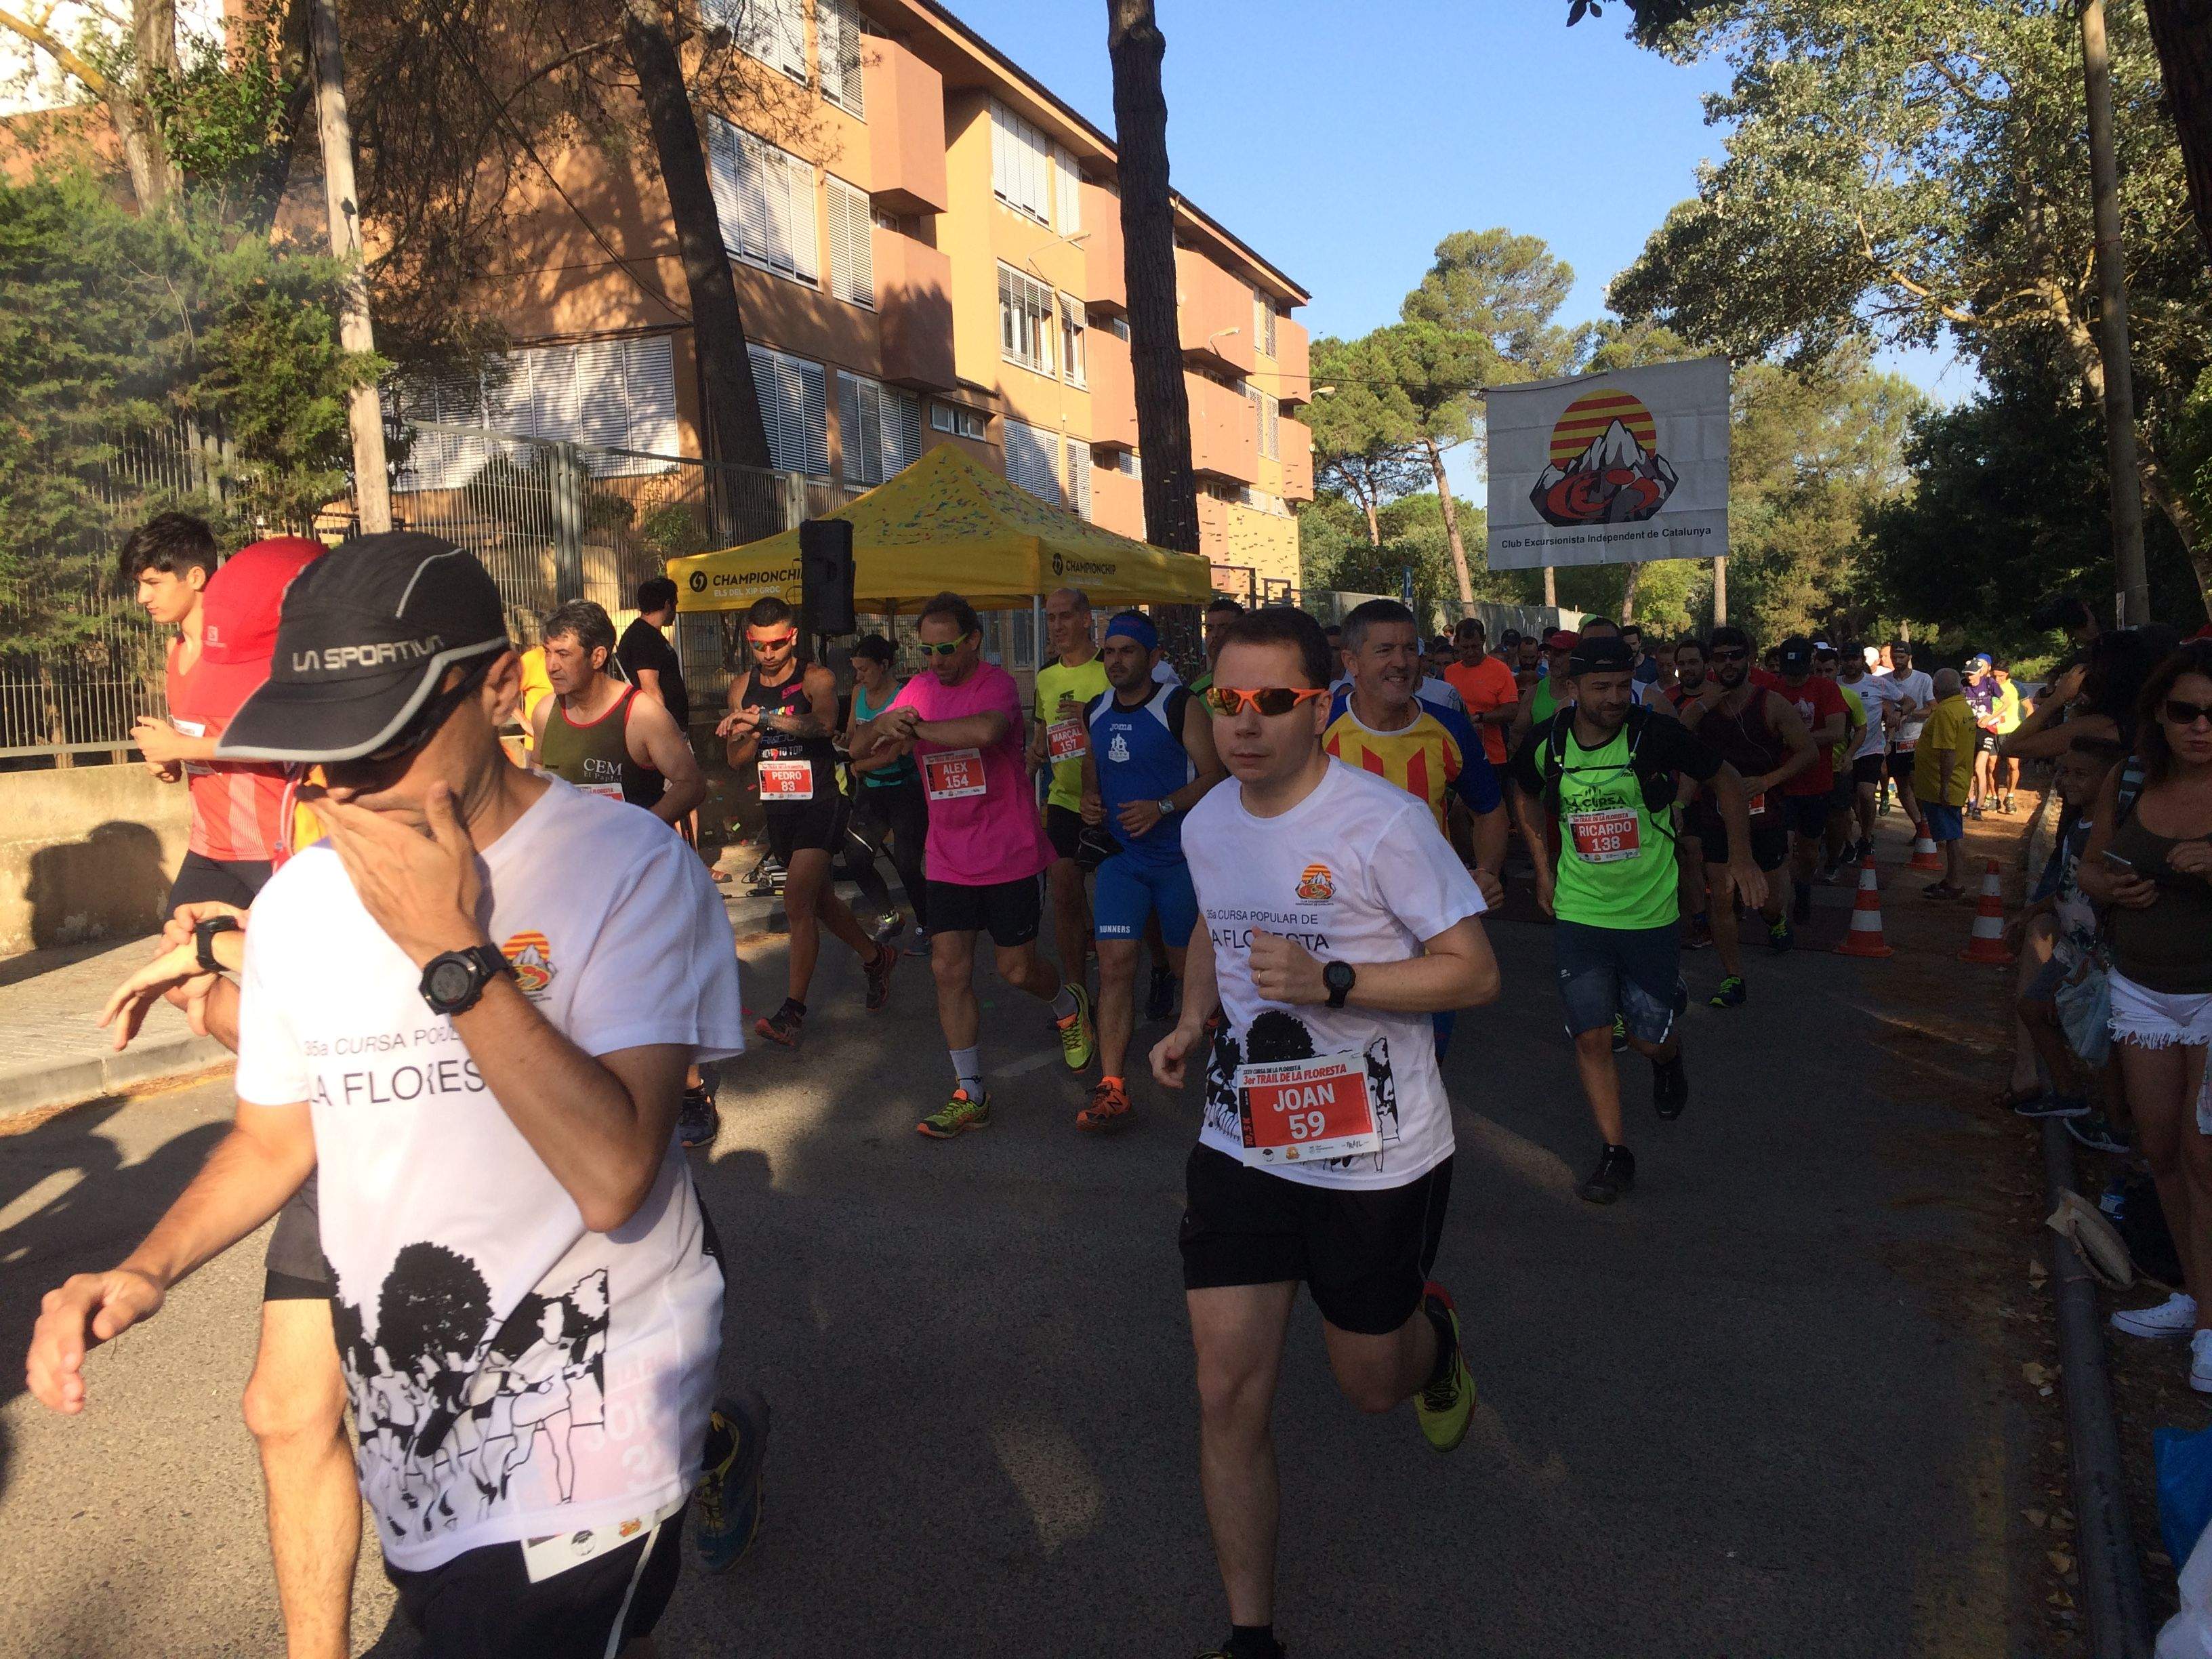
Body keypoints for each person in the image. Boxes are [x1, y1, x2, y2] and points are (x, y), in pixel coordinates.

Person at [29, 533, 761, 1657]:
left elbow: (615, 1174)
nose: (351, 784)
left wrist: (449, 948)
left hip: (591, 1411)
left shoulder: (628, 869)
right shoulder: (301, 903)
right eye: (326, 748)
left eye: (389, 736)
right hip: (413, 1421)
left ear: (501, 685)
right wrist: (145, 1266)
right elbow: (276, 1136)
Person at [1149, 606, 1498, 1659]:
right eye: (1227, 700)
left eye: (1271, 701)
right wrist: (1192, 1018)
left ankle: (1432, 1342)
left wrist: (1337, 980)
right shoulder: (1210, 821)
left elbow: (1474, 973)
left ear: (1318, 707)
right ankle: (1250, 1636)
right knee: (1225, 1390)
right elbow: (1215, 922)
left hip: (1377, 1156)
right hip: (1244, 1138)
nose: (1243, 722)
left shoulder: (1385, 824)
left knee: (1371, 1384)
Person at [1512, 635, 1765, 1203]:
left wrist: (1741, 856)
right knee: (1593, 1037)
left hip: (1649, 915)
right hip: (1581, 913)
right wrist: (1544, 870)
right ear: (1571, 688)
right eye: (1600, 687)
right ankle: (1615, 1154)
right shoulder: (1547, 742)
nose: (1614, 698)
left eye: (1623, 686)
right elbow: (1524, 795)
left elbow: (1725, 778)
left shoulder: (1654, 733)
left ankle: (1668, 1059)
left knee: (1649, 1041)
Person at [851, 591, 1095, 1134]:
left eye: (946, 649)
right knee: (948, 969)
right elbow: (860, 746)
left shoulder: (998, 684)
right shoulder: (918, 689)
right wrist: (881, 727)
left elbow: (985, 732)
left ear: (974, 641)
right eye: (927, 650)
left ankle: (1067, 1004)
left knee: (1016, 970)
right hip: (948, 856)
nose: (936, 661)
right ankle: (971, 1092)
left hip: (1009, 852)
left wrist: (913, 729)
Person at [2080, 642, 2212, 1385]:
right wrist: (2111, 888)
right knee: (2160, 1149)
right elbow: (2092, 867)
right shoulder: (2130, 779)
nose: (2201, 727)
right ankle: (2196, 1298)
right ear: (2160, 714)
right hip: (2141, 990)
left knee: (2204, 1158)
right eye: (2186, 712)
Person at [717, 595, 898, 1048]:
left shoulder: (816, 677)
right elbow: (736, 758)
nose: (768, 654)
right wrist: (747, 733)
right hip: (779, 806)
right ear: (750, 640)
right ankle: (876, 957)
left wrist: (766, 719)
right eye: (759, 646)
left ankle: (791, 1014)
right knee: (820, 902)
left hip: (822, 800)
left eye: (777, 644)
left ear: (792, 637)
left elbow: (823, 725)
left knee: (797, 901)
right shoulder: (741, 687)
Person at [1074, 612, 1225, 1130]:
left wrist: (1162, 807)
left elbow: (1216, 775)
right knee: (1115, 966)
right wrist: (1089, 798)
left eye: (1128, 651)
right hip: (1124, 862)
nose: (1116, 661)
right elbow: (1091, 764)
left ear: (1154, 657)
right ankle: (1112, 1087)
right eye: (1110, 652)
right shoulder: (1096, 709)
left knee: (1190, 973)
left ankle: (1232, 1052)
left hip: (1179, 862)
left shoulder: (1179, 705)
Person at [125, 516, 312, 910]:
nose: (142, 597)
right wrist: (171, 761)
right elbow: (201, 741)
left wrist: (180, 747)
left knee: (300, 951)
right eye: (139, 584)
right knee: (182, 944)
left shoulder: (252, 653)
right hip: (209, 847)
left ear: (195, 577)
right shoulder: (174, 653)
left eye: (154, 583)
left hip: (273, 845)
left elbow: (284, 742)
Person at [1681, 625, 1816, 1005]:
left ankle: (1776, 920)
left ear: (1750, 659)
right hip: (1717, 817)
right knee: (1722, 897)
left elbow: (1808, 752)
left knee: (1769, 901)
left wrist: (1768, 781)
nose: (1728, 664)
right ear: (1711, 663)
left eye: (1735, 656)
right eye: (1719, 657)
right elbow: (1681, 747)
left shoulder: (1771, 704)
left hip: (1765, 816)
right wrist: (1679, 805)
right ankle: (1733, 976)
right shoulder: (1702, 708)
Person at [1030, 586, 1111, 1000]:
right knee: (1064, 894)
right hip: (1064, 799)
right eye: (1051, 617)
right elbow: (1040, 739)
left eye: (1065, 616)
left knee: (1119, 898)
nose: (1057, 626)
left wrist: (1091, 716)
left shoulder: (1109, 668)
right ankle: (1077, 994)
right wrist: (1026, 771)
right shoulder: (1046, 677)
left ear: (1085, 619)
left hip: (1112, 801)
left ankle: (1156, 968)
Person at [845, 633, 931, 951]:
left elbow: (895, 753)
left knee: (907, 865)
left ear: (883, 665)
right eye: (856, 669)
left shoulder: (904, 696)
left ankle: (928, 925)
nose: (859, 676)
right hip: (872, 790)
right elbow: (853, 736)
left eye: (865, 669)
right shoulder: (858, 693)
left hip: (905, 790)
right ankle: (889, 916)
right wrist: (842, 744)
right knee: (856, 857)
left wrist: (859, 763)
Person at [1771, 636, 1849, 920]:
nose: (1793, 677)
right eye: (1789, 670)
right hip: (1779, 784)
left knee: (1809, 851)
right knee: (1782, 847)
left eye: (1799, 670)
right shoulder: (1772, 690)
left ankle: (1803, 886)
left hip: (1816, 783)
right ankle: (1780, 910)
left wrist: (1797, 740)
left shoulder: (1826, 689)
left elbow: (1837, 731)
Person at [1912, 668, 1977, 898]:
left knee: (1951, 835)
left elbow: (1947, 751)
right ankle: (1951, 879)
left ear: (1936, 690)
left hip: (1945, 784)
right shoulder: (1963, 708)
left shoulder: (1945, 712)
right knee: (1951, 833)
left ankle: (1955, 883)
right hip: (1957, 779)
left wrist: (1945, 786)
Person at [1811, 642, 1867, 880]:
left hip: (1836, 768)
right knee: (1810, 819)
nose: (1824, 676)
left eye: (1829, 671)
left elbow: (1861, 728)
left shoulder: (1849, 697)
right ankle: (1809, 860)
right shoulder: (1806, 695)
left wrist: (1849, 754)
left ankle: (1833, 860)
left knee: (1837, 818)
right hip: (1808, 768)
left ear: (1837, 671)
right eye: (1819, 671)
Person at [1843, 642, 1902, 861]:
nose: (1851, 663)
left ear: (1862, 661)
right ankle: (1849, 842)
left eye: (1855, 659)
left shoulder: (1877, 683)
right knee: (1847, 801)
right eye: (1847, 659)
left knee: (1866, 794)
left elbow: (1908, 701)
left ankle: (1867, 837)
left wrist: (1898, 714)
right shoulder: (1834, 684)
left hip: (1871, 748)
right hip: (1843, 750)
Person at [1443, 615, 1520, 767]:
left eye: (1475, 647)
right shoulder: (1450, 672)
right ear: (1457, 643)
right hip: (1458, 757)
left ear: (1484, 641)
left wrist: (1480, 717)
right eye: (1465, 648)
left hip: (1493, 757)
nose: (1471, 652)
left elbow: (1512, 711)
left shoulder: (1500, 670)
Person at [617, 577, 691, 733]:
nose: (675, 611)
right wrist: (665, 731)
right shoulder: (643, 638)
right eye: (675, 604)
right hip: (662, 731)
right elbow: (650, 689)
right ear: (667, 604)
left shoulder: (650, 635)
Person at [1881, 640, 1937, 840]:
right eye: (1894, 657)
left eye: (1901, 657)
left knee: (1917, 785)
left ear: (1909, 658)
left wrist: (1909, 715)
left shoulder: (1923, 679)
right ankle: (1920, 827)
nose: (1897, 661)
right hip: (1894, 740)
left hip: (1916, 738)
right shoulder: (1884, 680)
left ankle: (1928, 826)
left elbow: (1933, 707)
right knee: (1901, 785)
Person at [1190, 596, 1246, 695]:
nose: (1215, 634)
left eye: (1224, 628)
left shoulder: (1264, 683)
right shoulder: (1197, 691)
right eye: (1209, 629)